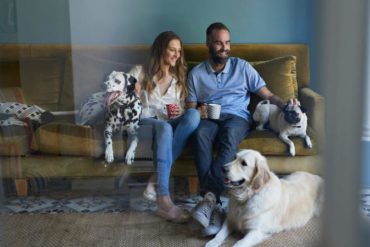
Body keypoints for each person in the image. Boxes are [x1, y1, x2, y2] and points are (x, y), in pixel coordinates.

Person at [186, 22, 291, 235]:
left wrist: (285, 105)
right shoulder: (196, 74)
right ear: (208, 43)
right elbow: (189, 108)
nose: (225, 47)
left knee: (229, 138)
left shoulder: (242, 67)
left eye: (227, 42)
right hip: (209, 119)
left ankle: (209, 199)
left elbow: (268, 95)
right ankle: (214, 207)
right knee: (199, 135)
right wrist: (200, 110)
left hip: (236, 117)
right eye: (218, 43)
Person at [129, 31, 200, 223]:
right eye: (172, 49)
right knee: (165, 128)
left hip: (167, 123)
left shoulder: (179, 80)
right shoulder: (139, 72)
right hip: (144, 122)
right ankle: (163, 200)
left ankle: (154, 179)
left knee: (193, 115)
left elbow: (183, 110)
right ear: (161, 50)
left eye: (179, 51)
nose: (177, 54)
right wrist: (132, 92)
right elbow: (118, 98)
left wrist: (180, 113)